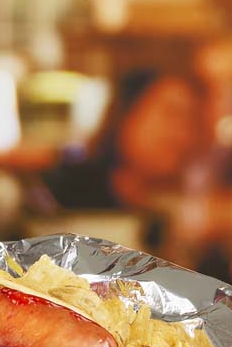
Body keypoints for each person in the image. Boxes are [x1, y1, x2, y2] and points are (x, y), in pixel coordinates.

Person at [33, 68, 208, 256]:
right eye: (170, 114)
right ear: (125, 113)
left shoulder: (178, 216)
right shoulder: (58, 194)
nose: (182, 134)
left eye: (193, 121)